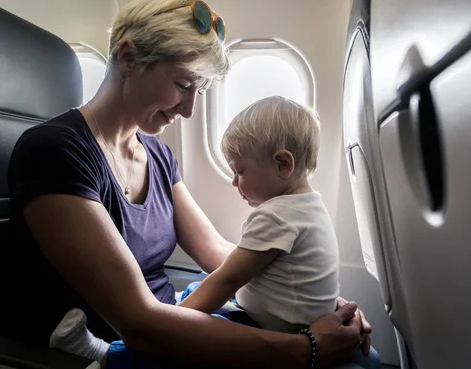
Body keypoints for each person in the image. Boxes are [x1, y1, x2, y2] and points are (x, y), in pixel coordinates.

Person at [5, 0, 373, 368]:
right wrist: (308, 348)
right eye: (182, 84)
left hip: (178, 327)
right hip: (128, 345)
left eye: (199, 90)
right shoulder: (54, 152)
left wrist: (319, 300)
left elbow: (221, 256)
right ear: (129, 58)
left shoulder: (159, 157)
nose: (188, 110)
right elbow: (139, 323)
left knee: (364, 360)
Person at [49, 96, 382, 369]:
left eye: (240, 171)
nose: (235, 182)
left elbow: (226, 280)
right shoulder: (311, 206)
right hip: (278, 314)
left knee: (187, 339)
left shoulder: (275, 217)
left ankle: (106, 355)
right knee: (197, 287)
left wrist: (178, 323)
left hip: (269, 324)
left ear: (283, 164)